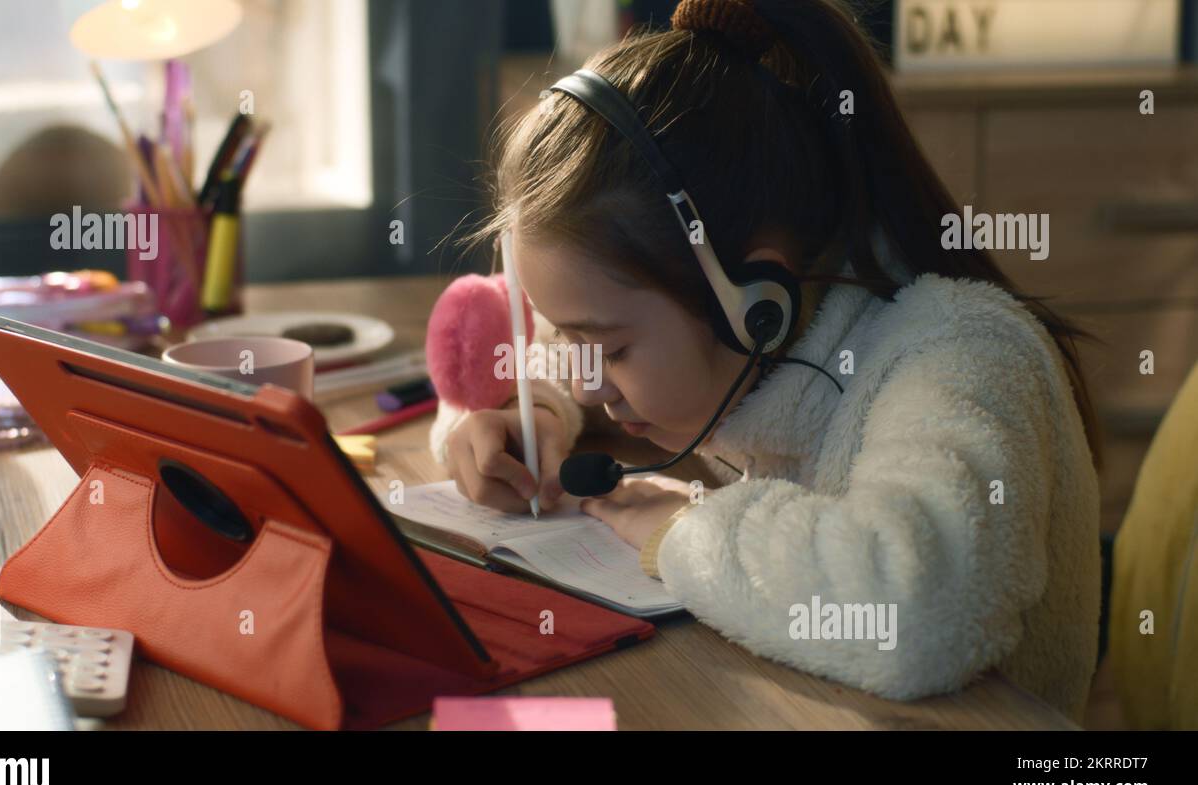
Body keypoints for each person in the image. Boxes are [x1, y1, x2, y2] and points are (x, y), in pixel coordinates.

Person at [430, 0, 1102, 721]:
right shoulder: (767, 332)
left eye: (611, 349)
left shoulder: (957, 354)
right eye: (573, 340)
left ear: (755, 301)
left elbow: (915, 606)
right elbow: (565, 354)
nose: (589, 377)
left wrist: (679, 530)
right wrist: (521, 416)